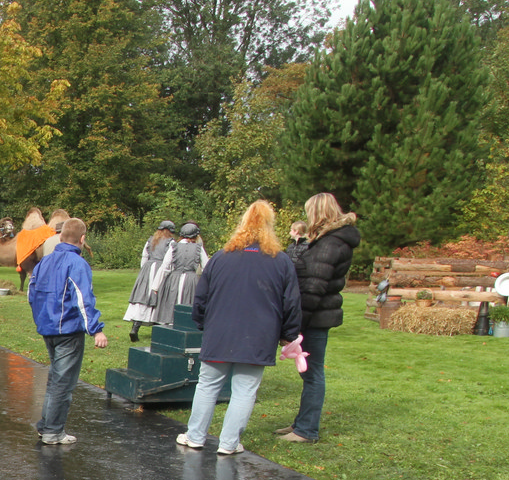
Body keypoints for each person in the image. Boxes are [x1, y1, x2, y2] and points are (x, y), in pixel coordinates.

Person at [176, 201, 301, 455]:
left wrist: (203, 322)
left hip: (219, 331)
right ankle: (229, 443)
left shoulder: (221, 257)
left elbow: (201, 297)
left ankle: (195, 436)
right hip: (259, 334)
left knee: (207, 385)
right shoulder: (281, 261)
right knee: (244, 390)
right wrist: (288, 335)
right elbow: (291, 302)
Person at [279, 194, 360, 443]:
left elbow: (313, 287)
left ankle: (306, 430)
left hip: (314, 317)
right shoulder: (328, 240)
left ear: (318, 213)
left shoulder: (330, 243)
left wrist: (296, 326)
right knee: (308, 373)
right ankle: (301, 423)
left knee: (313, 373)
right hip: (316, 315)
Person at [27, 217, 108, 444]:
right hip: (68, 330)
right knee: (62, 383)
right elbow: (83, 299)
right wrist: (96, 330)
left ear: (61, 237)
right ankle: (53, 431)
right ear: (82, 239)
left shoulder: (44, 262)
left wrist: (42, 319)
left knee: (55, 379)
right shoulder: (77, 264)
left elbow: (32, 294)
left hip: (48, 328)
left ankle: (46, 425)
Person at [122, 220, 175, 342]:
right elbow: (169, 261)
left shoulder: (150, 240)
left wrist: (144, 272)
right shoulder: (171, 243)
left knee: (143, 299)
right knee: (160, 299)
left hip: (147, 268)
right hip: (161, 269)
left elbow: (144, 257)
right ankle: (158, 332)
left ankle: (135, 328)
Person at [150, 221, 208, 327]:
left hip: (174, 279)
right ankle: (187, 326)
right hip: (191, 280)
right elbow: (206, 268)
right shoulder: (199, 248)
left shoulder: (174, 247)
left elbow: (165, 267)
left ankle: (171, 326)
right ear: (195, 236)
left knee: (173, 304)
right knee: (188, 304)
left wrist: (155, 286)